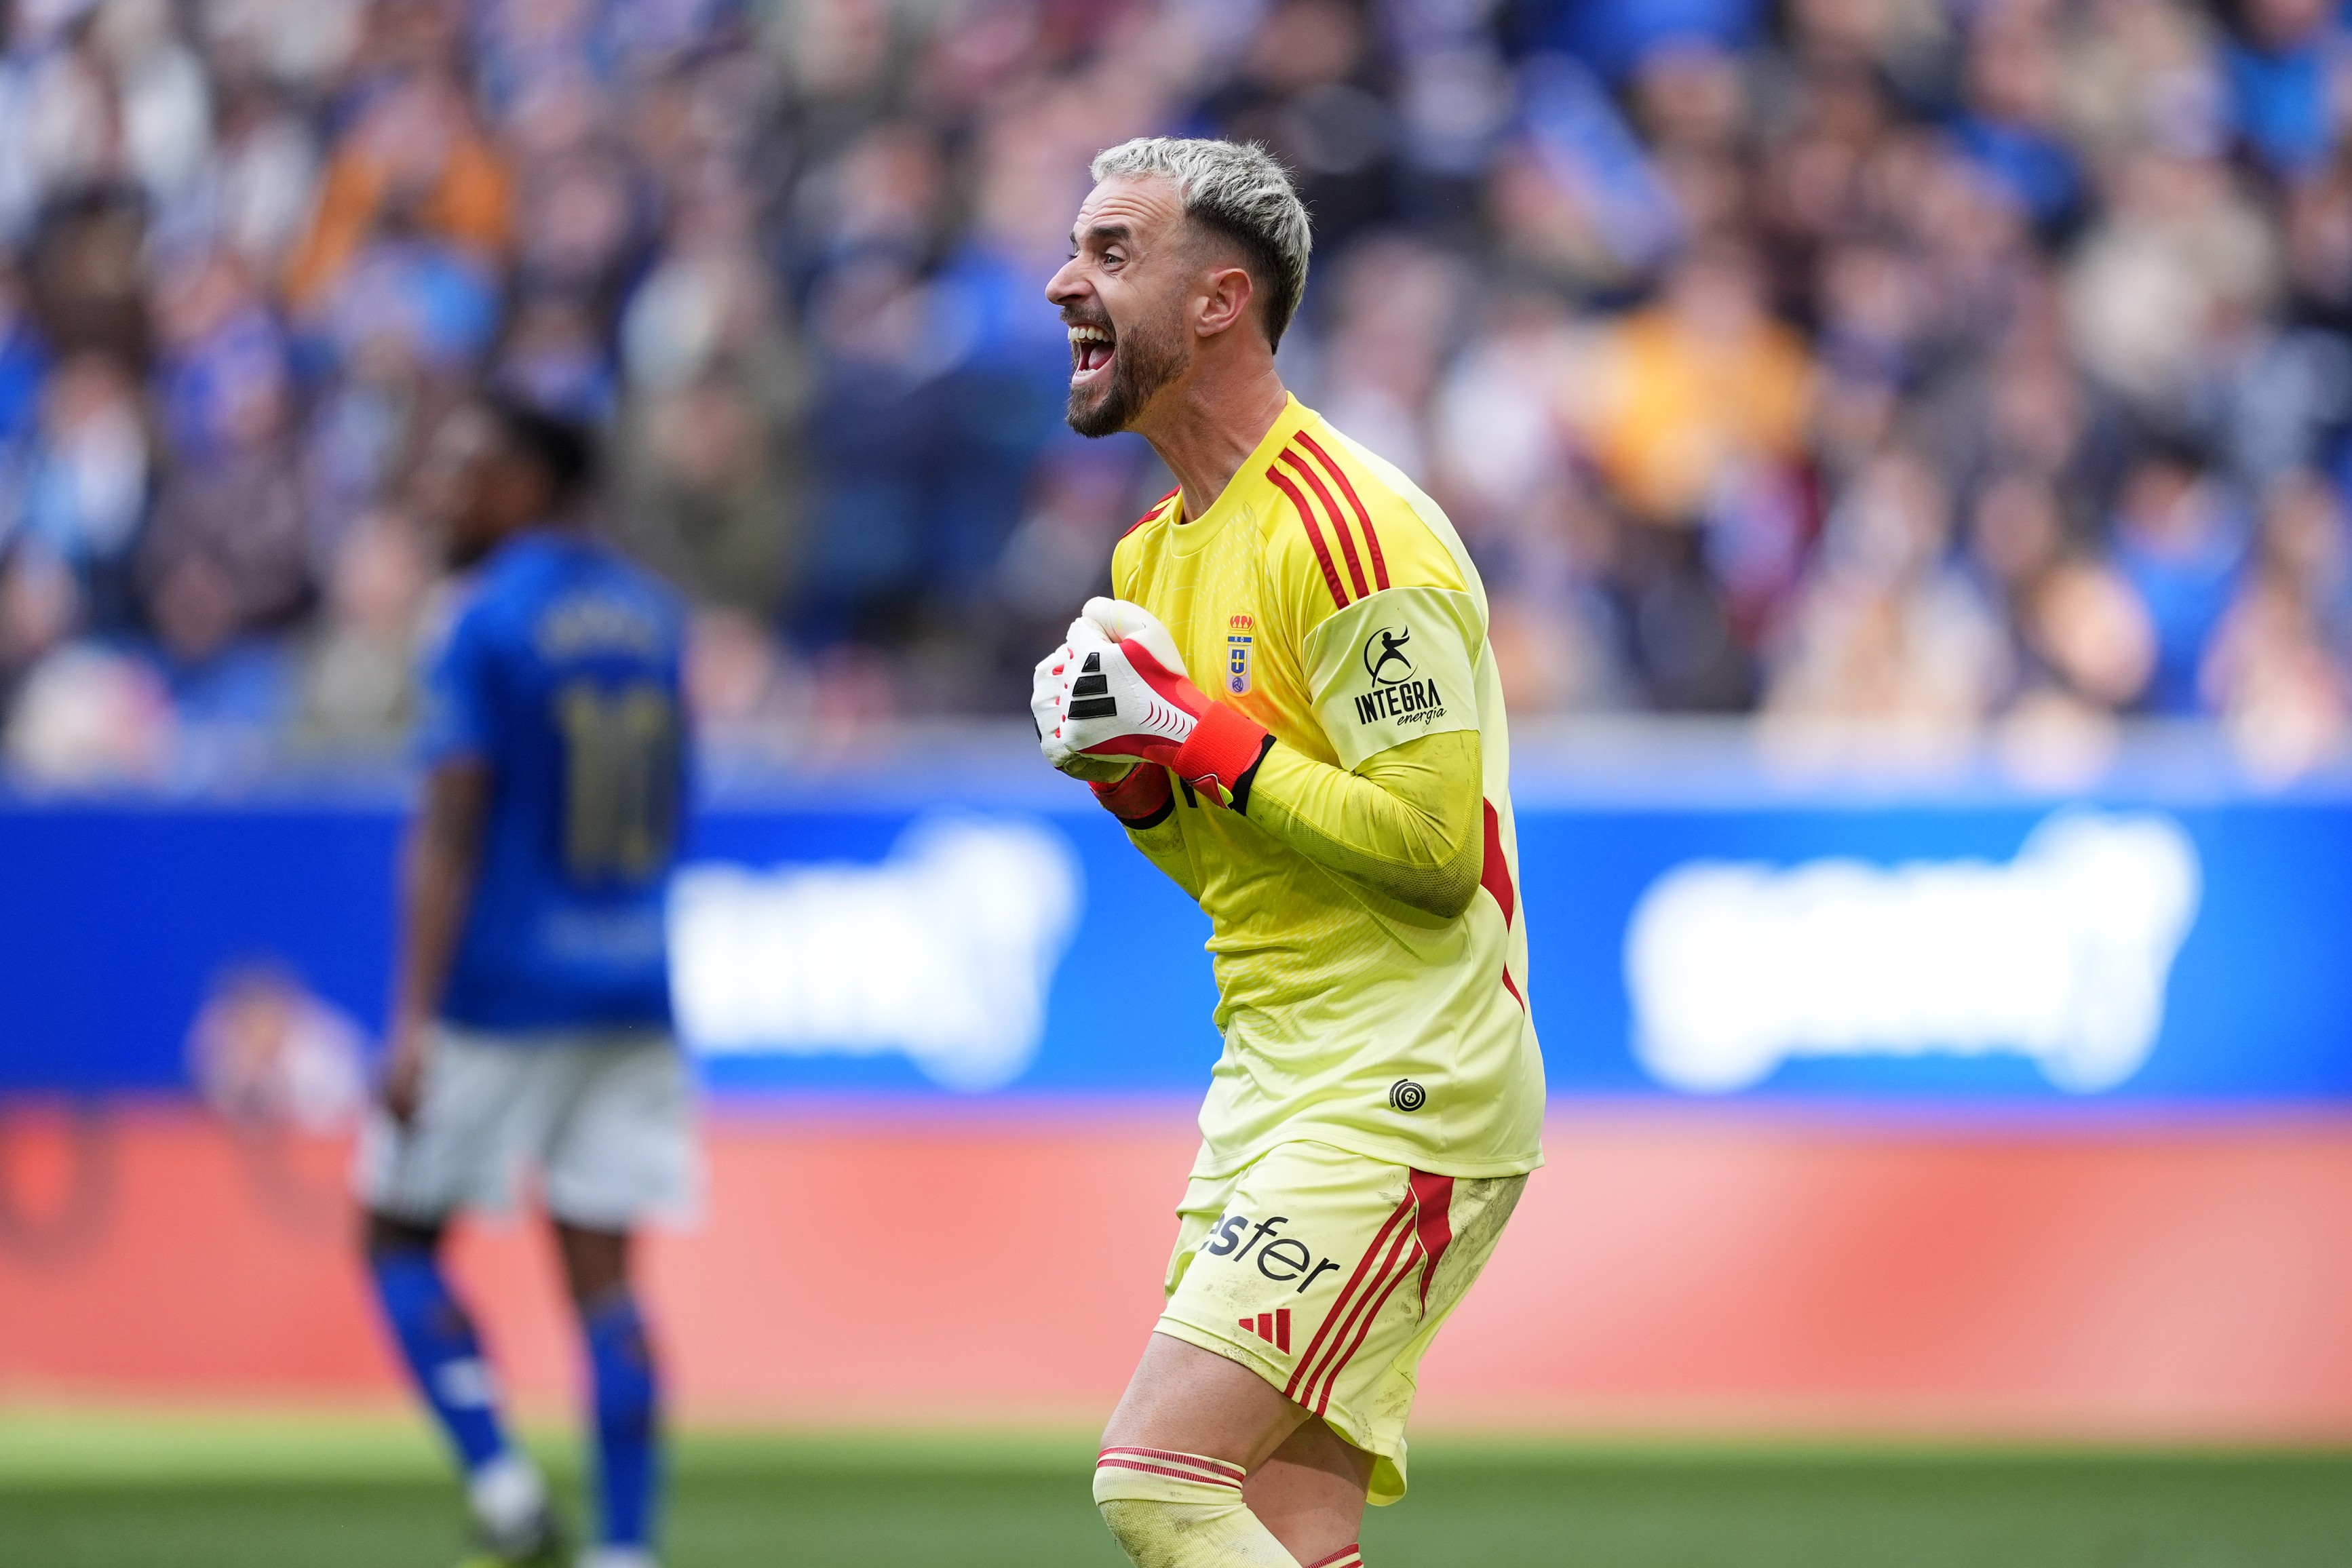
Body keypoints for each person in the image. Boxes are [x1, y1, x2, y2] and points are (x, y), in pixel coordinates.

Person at [1030, 138, 1545, 1568]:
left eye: (1114, 252)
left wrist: (1193, 735)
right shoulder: (1149, 561)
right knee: (1281, 1527)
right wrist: (1134, 787)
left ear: (1221, 300)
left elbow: (1436, 852)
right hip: (1270, 1072)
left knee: (1156, 1476)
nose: (1065, 280)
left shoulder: (1358, 527)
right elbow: (1244, 865)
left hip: (1405, 1080)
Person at [355, 395, 695, 1568]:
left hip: (499, 989)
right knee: (605, 1280)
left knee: (396, 1236)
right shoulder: (654, 617)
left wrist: (407, 1022)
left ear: (535, 485)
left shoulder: (481, 621)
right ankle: (627, 1546)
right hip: (633, 985)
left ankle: (501, 1484)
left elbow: (451, 821)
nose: (441, 492)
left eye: (469, 469)